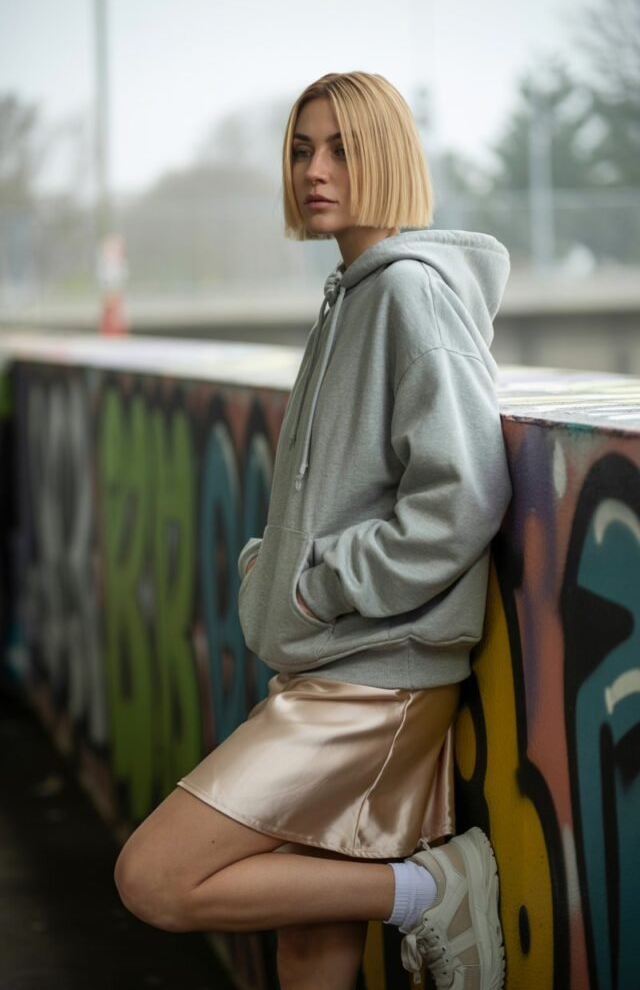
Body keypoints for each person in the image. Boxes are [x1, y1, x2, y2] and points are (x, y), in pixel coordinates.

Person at [114, 71, 511, 990]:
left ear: (389, 158)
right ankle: (408, 892)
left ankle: (426, 891)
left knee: (155, 878)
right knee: (309, 941)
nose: (314, 170)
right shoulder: (352, 294)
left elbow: (465, 493)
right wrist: (273, 565)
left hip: (374, 682)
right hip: (335, 663)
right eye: (300, 149)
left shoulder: (408, 294)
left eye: (340, 148)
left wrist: (316, 583)